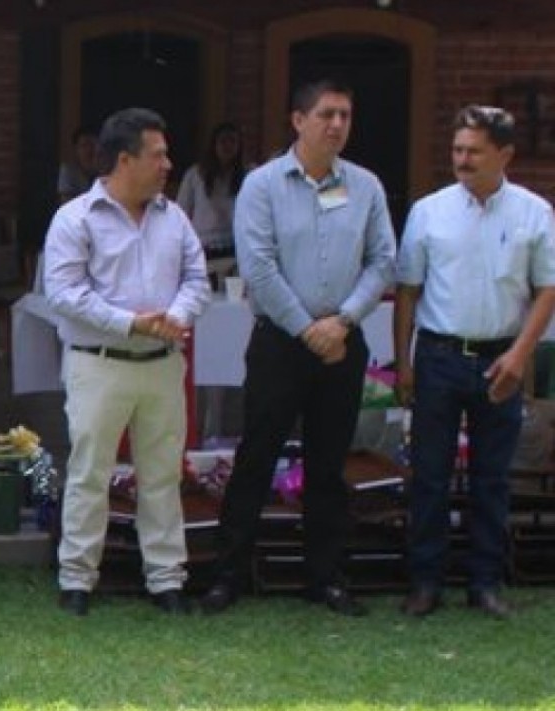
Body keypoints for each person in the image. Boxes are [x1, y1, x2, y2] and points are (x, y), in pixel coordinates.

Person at [200, 81, 395, 617]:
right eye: (326, 114)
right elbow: (258, 267)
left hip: (343, 342)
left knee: (329, 464)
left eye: (345, 115)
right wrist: (310, 330)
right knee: (256, 457)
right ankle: (228, 575)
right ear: (298, 120)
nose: (337, 124)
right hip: (281, 343)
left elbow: (383, 260)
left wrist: (343, 321)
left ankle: (325, 577)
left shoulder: (366, 186)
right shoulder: (262, 185)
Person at [42, 107, 209, 616]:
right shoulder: (75, 218)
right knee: (89, 472)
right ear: (124, 160)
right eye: (158, 155)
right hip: (100, 362)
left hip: (162, 362)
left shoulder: (174, 217)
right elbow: (63, 292)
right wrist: (129, 323)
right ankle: (77, 578)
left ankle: (166, 579)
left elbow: (196, 279)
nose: (167, 165)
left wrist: (175, 316)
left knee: (162, 474)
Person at [393, 105, 555, 619]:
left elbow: (548, 289)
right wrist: (403, 363)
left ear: (504, 154)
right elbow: (407, 292)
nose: (462, 160)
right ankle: (425, 582)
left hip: (500, 358)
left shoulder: (534, 213)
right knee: (429, 476)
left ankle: (485, 583)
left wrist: (520, 355)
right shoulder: (429, 211)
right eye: (458, 149)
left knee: (492, 478)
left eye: (474, 152)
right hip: (439, 356)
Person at [176, 121, 246, 261]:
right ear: (214, 145)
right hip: (203, 246)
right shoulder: (195, 174)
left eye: (232, 141)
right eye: (223, 141)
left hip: (234, 246)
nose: (227, 146)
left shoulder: (247, 175)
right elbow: (181, 212)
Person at [56, 127, 101, 203]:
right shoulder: (69, 170)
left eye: (92, 145)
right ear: (76, 149)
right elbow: (66, 202)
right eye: (84, 145)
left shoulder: (106, 169)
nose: (89, 150)